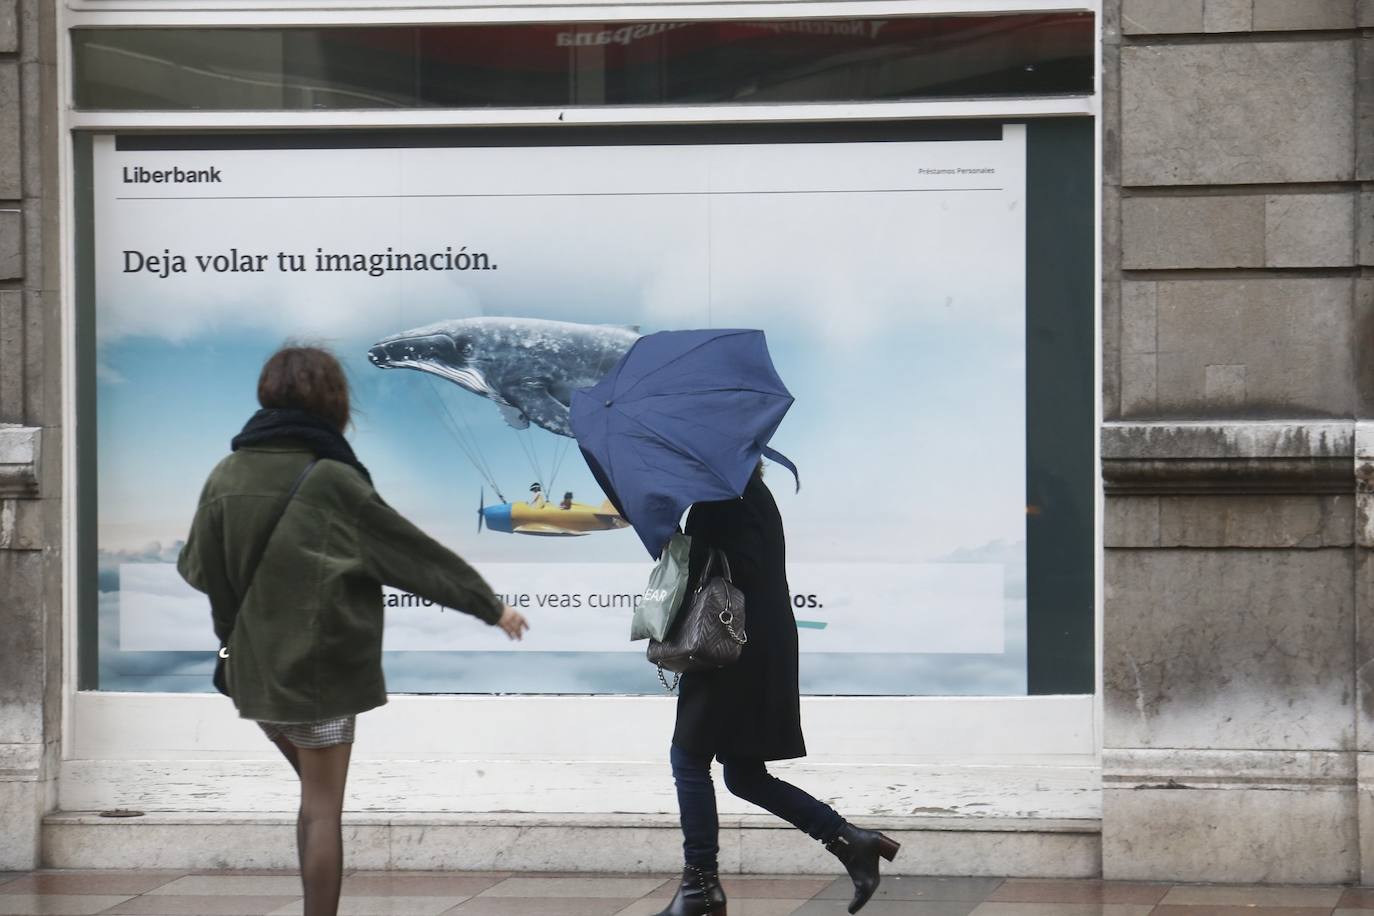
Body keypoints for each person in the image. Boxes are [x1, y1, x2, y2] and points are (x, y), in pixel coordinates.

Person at [177, 345, 529, 916]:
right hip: (321, 673)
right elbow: (410, 554)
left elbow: (196, 569)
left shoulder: (225, 475)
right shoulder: (330, 479)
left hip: (254, 674)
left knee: (311, 796)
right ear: (333, 402)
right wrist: (490, 606)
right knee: (322, 808)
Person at [656, 461, 899, 916]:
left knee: (688, 757)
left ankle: (701, 888)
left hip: (732, 646)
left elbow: (735, 566)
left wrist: (675, 538)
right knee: (743, 774)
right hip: (754, 643)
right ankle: (852, 843)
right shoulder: (744, 489)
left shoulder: (725, 494)